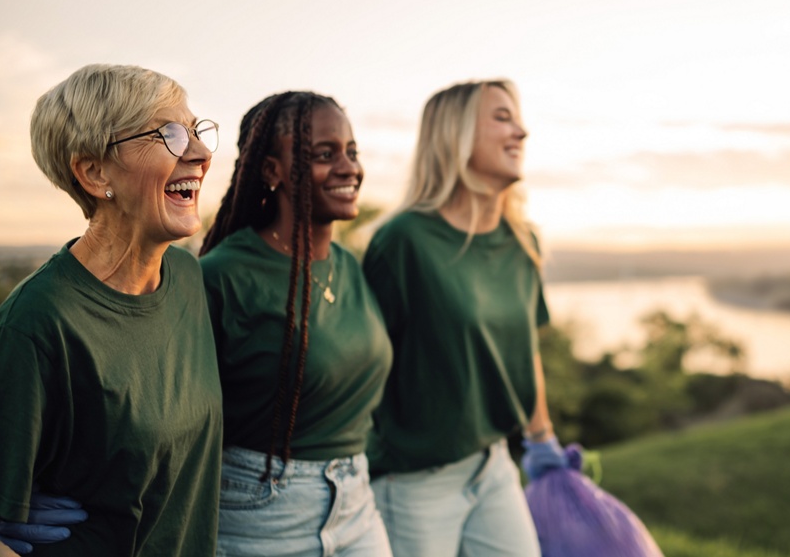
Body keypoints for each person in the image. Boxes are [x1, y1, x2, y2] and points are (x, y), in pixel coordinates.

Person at [0, 64, 223, 555]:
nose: (202, 154)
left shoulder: (186, 279)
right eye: (169, 134)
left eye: (195, 130)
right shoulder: (37, 322)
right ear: (94, 172)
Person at [361, 79, 568, 556]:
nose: (521, 132)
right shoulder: (404, 241)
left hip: (494, 464)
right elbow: (361, 361)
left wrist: (542, 439)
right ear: (454, 135)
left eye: (516, 118)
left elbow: (525, 350)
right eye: (501, 117)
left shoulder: (523, 241)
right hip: (413, 480)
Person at [199, 91, 393, 556]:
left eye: (352, 152)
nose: (348, 168)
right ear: (271, 171)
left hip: (357, 506)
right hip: (261, 513)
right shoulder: (223, 275)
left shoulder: (348, 266)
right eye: (325, 154)